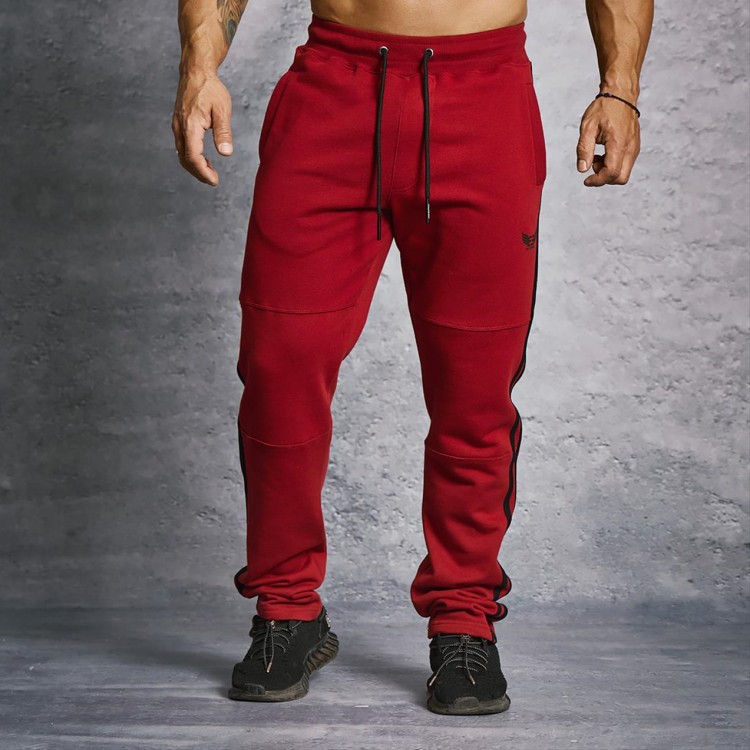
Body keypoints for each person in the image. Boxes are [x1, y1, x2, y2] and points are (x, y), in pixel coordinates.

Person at [173, 0, 653, 716]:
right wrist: (199, 64)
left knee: (475, 389)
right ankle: (287, 607)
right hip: (331, 93)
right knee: (279, 367)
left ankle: (464, 618)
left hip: (482, 101)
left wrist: (620, 88)